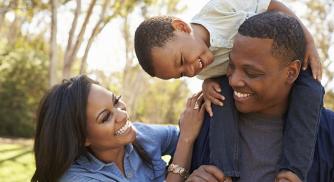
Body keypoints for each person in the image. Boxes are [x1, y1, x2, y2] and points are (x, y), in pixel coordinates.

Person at [134, 0, 323, 180]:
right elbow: (222, 73)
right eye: (182, 74)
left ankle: (293, 172)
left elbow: (273, 4)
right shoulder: (201, 66)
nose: (191, 72)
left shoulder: (220, 9)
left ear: (182, 27)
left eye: (182, 61)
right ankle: (222, 171)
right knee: (219, 97)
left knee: (312, 90)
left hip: (285, 58)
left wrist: (309, 43)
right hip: (238, 80)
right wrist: (207, 83)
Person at [189, 11, 332, 182]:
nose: (233, 81)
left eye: (251, 73)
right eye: (231, 66)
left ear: (291, 72)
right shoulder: (203, 120)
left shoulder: (329, 133)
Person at [31, 75, 207, 182]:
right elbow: (186, 136)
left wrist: (212, 83)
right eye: (106, 117)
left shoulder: (142, 136)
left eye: (116, 101)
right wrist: (185, 141)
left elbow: (196, 133)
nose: (122, 115)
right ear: (82, 137)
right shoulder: (77, 178)